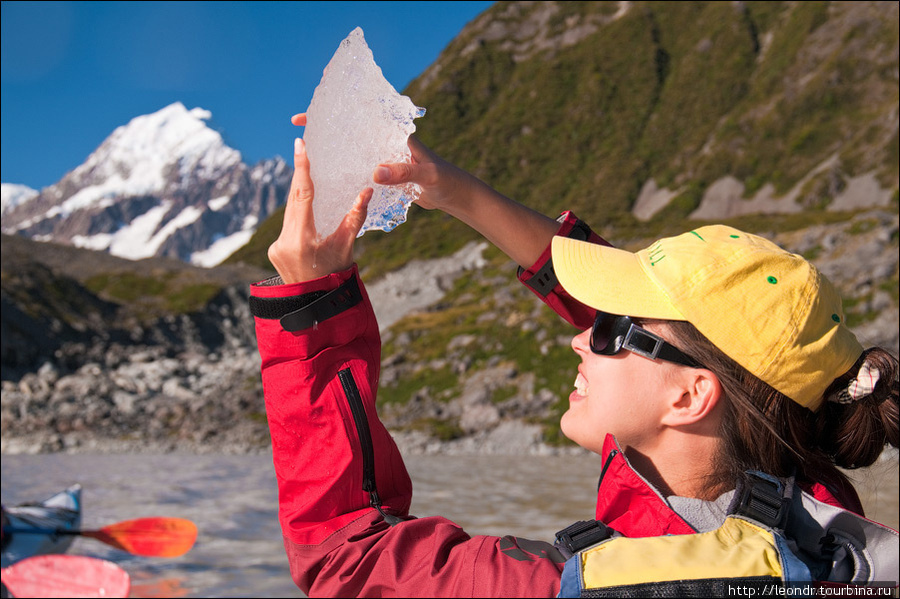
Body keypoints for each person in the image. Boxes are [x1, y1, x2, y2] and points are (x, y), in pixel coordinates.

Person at [248, 116, 899, 597]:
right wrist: (448, 188)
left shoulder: (573, 584)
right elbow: (676, 344)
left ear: (690, 397)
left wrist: (311, 301)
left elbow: (346, 553)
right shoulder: (804, 486)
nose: (580, 334)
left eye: (612, 327)